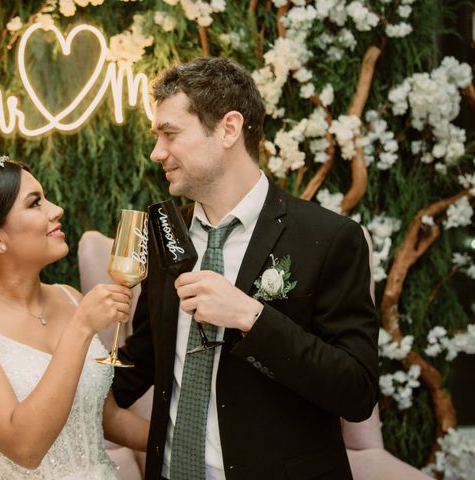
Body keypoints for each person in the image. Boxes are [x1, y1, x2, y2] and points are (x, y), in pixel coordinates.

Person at [112, 57, 379, 480]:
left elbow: (357, 392)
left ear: (229, 129)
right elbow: (144, 357)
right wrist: (62, 378)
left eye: (170, 133)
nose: (156, 152)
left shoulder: (329, 239)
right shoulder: (165, 232)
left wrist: (250, 317)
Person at [0, 156, 148, 480]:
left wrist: (198, 444)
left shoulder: (70, 298)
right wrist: (82, 328)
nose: (56, 209)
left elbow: (103, 417)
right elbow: (25, 446)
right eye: (35, 204)